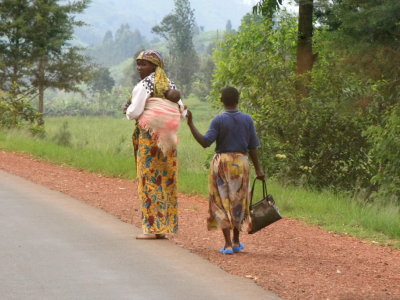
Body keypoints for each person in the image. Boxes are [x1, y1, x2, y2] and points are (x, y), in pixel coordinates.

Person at [186, 86, 265, 254]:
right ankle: (237, 241)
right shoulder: (247, 120)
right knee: (239, 201)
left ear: (221, 101)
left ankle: (227, 244)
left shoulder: (218, 120)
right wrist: (259, 169)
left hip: (222, 163)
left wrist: (190, 123)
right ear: (238, 100)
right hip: (241, 162)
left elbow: (205, 142)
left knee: (221, 201)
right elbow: (253, 147)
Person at [124, 50, 182, 240]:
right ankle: (163, 228)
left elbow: (134, 112)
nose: (140, 68)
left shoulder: (144, 85)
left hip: (149, 139)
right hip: (167, 141)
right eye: (138, 64)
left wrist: (127, 110)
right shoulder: (170, 85)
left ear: (155, 67)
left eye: (144, 64)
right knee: (166, 181)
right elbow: (181, 109)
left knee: (148, 181)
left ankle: (150, 229)